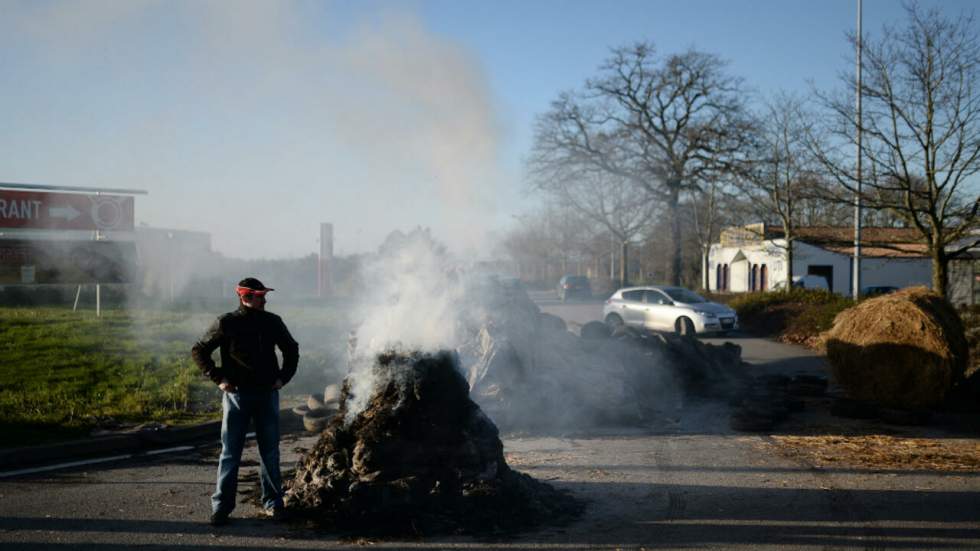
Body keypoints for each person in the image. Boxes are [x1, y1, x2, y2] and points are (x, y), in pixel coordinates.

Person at [191, 277, 299, 526]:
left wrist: (283, 378)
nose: (265, 299)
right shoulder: (226, 322)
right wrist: (218, 378)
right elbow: (199, 350)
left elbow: (291, 349)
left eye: (264, 295)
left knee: (270, 453)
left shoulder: (273, 322)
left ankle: (274, 504)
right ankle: (221, 508)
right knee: (230, 454)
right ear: (245, 297)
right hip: (236, 396)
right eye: (260, 295)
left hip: (267, 395)